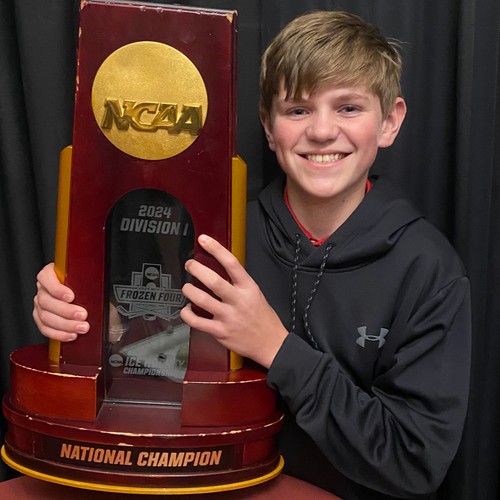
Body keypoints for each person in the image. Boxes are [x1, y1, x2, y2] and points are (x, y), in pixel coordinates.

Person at [33, 10, 471, 499]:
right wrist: (96, 323)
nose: (322, 131)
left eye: (348, 108)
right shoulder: (215, 238)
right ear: (268, 126)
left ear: (389, 122)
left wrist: (276, 349)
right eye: (298, 110)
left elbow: (413, 461)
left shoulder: (428, 270)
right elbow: (153, 368)